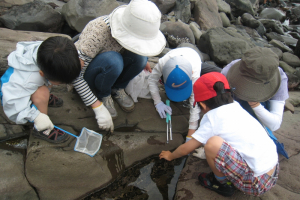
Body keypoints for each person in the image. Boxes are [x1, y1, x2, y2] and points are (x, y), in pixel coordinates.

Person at [159, 72, 279, 197]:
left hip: (255, 184)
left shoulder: (212, 119)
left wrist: (171, 155)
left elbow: (186, 149)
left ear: (202, 105)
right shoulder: (235, 106)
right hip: (273, 170)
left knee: (212, 144)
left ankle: (221, 184)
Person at [73, 0, 166, 132]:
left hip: (110, 69)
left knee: (141, 58)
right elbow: (75, 76)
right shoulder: (97, 33)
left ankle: (117, 88)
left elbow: (133, 50)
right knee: (114, 61)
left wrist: (141, 59)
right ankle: (103, 94)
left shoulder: (133, 26)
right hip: (90, 74)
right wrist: (97, 106)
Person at [195, 47, 289, 159]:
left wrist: (255, 104)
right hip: (232, 106)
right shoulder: (230, 70)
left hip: (258, 112)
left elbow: (274, 124)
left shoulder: (279, 79)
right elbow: (218, 109)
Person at [0, 36, 81, 143]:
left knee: (48, 86)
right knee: (42, 93)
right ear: (42, 74)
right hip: (13, 97)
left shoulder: (48, 53)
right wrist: (36, 117)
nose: (62, 84)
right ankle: (42, 128)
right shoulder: (26, 80)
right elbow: (12, 105)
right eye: (61, 82)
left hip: (28, 86)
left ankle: (41, 99)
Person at [148, 47, 202, 142]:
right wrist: (158, 102)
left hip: (193, 55)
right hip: (173, 58)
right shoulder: (162, 63)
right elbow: (152, 80)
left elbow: (195, 102)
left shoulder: (195, 72)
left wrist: (190, 134)